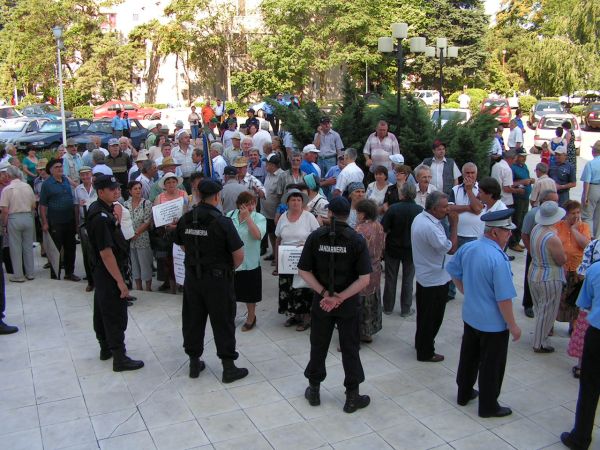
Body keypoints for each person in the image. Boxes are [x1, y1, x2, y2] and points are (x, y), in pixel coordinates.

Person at [297, 196, 372, 413]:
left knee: (318, 345)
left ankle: (314, 390)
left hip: (322, 303)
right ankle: (352, 397)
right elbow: (364, 279)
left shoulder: (315, 237)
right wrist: (340, 297)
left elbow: (303, 270)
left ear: (329, 213)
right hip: (347, 304)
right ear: (347, 214)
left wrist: (324, 294)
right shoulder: (356, 240)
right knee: (350, 348)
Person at [446, 209, 521, 418]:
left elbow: (453, 269)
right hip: (493, 324)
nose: (509, 236)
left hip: (471, 316)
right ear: (495, 233)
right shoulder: (499, 259)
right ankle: (489, 406)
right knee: (492, 365)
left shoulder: (469, 248)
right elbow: (504, 299)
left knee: (468, 357)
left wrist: (466, 290)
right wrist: (513, 325)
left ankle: (464, 393)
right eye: (507, 232)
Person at [174, 179, 248, 381]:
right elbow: (238, 254)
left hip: (193, 279)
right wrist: (225, 269)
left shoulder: (186, 219)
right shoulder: (222, 222)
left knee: (192, 320)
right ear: (217, 196)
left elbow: (182, 246)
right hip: (217, 280)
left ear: (198, 196)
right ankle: (228, 367)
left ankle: (194, 363)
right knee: (223, 321)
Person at [86, 174, 144, 371]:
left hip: (103, 272)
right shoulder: (100, 217)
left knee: (102, 310)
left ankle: (106, 348)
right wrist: (120, 281)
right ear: (100, 192)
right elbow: (106, 252)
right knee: (114, 314)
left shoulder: (103, 209)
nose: (116, 191)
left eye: (117, 188)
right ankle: (119, 356)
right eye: (112, 189)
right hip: (108, 271)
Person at [561, 242, 600, 450]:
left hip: (598, 334)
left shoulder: (595, 269)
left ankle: (581, 437)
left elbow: (585, 302)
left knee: (590, 387)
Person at [411, 191, 458, 362]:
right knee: (432, 318)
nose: (447, 210)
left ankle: (421, 343)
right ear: (433, 208)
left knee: (424, 316)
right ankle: (426, 351)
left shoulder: (422, 219)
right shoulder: (430, 227)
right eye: (444, 207)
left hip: (427, 276)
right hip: (434, 279)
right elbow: (450, 248)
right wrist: (454, 225)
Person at [275, 188, 320, 330]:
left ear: (302, 202)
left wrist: (306, 245)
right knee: (287, 287)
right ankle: (293, 315)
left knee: (303, 288)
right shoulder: (283, 217)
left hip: (304, 259)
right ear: (287, 202)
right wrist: (277, 261)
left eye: (298, 200)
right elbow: (278, 238)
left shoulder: (309, 217)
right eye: (293, 200)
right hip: (286, 259)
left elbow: (317, 237)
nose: (296, 202)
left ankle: (306, 318)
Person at [528, 201, 567, 353]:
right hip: (549, 277)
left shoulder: (536, 229)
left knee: (540, 309)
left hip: (534, 272)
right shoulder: (552, 237)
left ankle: (540, 338)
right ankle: (540, 342)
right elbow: (561, 260)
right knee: (548, 311)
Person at [382, 182, 422, 316]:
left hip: (393, 248)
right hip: (411, 249)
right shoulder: (420, 211)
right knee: (408, 279)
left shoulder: (393, 209)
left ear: (402, 193)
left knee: (390, 278)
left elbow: (384, 229)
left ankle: (388, 307)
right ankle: (406, 309)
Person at [228, 191, 266, 331]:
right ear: (239, 205)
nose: (250, 207)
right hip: (232, 262)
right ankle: (230, 316)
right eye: (247, 204)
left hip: (250, 262)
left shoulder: (259, 218)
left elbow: (258, 236)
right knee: (231, 292)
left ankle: (251, 317)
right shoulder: (229, 216)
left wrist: (248, 218)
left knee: (250, 294)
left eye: (252, 204)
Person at [521, 189, 560, 318]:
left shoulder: (558, 214)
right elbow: (524, 234)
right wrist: (532, 252)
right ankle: (528, 304)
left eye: (556, 201)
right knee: (530, 278)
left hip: (549, 254)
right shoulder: (532, 214)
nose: (556, 203)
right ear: (543, 201)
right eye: (553, 201)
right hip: (535, 252)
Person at [39, 159, 80, 281]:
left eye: (61, 166)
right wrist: (45, 222)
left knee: (70, 247)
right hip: (55, 221)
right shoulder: (47, 184)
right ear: (51, 170)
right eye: (57, 167)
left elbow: (78, 188)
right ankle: (55, 273)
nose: (60, 169)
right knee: (55, 248)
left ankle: (69, 273)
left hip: (69, 219)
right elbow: (42, 206)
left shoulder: (66, 180)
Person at [555, 200, 590, 330]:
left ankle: (573, 326)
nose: (576, 215)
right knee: (558, 299)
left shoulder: (583, 227)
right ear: (566, 214)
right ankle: (550, 325)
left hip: (576, 270)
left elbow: (587, 245)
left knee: (575, 300)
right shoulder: (558, 226)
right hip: (561, 269)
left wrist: (574, 230)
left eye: (578, 212)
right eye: (573, 213)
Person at [354, 199, 384, 343]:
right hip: (375, 269)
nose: (356, 214)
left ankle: (357, 335)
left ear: (363, 213)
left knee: (359, 304)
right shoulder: (378, 226)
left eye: (358, 212)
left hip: (362, 271)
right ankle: (368, 333)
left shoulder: (360, 230)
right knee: (372, 301)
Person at [153, 172, 188, 294]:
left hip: (182, 231)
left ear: (177, 183)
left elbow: (187, 213)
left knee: (183, 258)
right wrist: (167, 226)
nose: (171, 184)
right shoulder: (159, 197)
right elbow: (157, 217)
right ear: (165, 185)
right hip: (167, 233)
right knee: (169, 260)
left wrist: (178, 225)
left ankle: (183, 284)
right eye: (168, 182)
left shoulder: (184, 195)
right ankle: (172, 287)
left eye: (173, 182)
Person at [0, 166, 36, 282]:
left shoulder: (7, 189)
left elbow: (5, 210)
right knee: (28, 247)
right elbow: (33, 205)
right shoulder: (27, 187)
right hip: (28, 217)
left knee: (15, 248)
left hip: (14, 217)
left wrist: (4, 225)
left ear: (9, 176)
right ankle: (30, 273)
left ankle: (18, 275)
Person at [124, 181, 154, 292]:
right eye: (135, 189)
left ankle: (148, 288)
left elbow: (147, 221)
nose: (138, 191)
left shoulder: (146, 203)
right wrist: (129, 234)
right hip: (130, 239)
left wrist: (136, 233)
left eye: (139, 188)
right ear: (130, 191)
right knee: (134, 263)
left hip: (142, 237)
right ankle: (139, 287)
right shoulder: (126, 204)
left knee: (145, 263)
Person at [74, 166, 97, 292]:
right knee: (87, 252)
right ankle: (90, 280)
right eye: (83, 175)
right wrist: (77, 225)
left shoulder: (97, 187)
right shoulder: (78, 189)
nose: (85, 177)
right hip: (84, 221)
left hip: (96, 220)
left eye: (87, 174)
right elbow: (76, 208)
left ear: (91, 174)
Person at [509, 149, 534, 251]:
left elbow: (526, 178)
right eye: (522, 156)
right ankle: (513, 242)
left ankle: (518, 240)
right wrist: (523, 181)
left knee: (523, 220)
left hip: (525, 198)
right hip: (517, 198)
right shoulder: (512, 168)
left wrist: (530, 180)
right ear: (517, 156)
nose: (524, 158)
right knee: (517, 220)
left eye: (525, 156)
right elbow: (510, 183)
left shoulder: (524, 166)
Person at [581, 141, 600, 238]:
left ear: (593, 151)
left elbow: (587, 181)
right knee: (598, 216)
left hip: (593, 188)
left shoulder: (590, 164)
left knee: (587, 215)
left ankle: (588, 236)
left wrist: (585, 195)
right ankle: (597, 238)